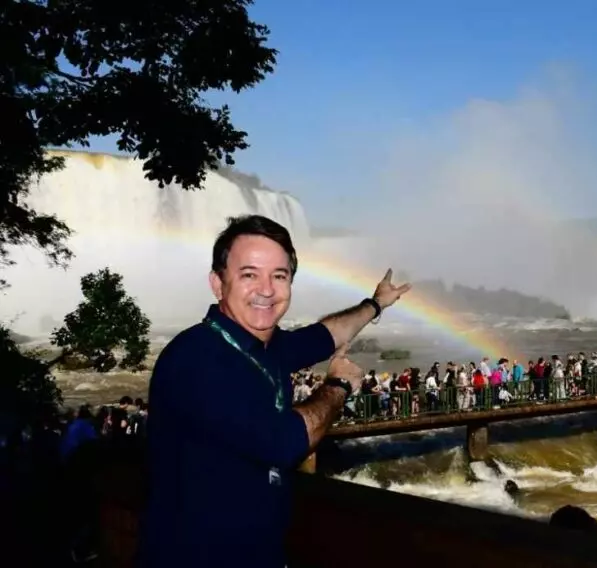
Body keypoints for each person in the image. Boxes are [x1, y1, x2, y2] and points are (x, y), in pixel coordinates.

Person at [137, 215, 410, 568]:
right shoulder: (195, 359)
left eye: (279, 276)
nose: (266, 290)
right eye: (249, 275)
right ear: (218, 284)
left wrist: (375, 304)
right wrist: (338, 386)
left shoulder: (265, 345)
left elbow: (326, 334)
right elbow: (283, 443)